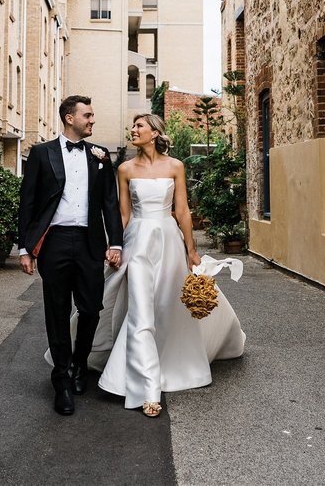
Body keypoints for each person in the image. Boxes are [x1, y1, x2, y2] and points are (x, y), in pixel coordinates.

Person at [89, 113, 246, 417]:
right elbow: (123, 214)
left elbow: (183, 211)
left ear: (154, 133)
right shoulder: (124, 169)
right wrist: (115, 246)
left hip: (168, 242)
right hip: (137, 243)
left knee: (167, 307)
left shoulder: (175, 167)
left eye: (139, 126)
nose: (133, 130)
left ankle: (171, 362)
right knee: (141, 313)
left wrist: (192, 250)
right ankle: (147, 390)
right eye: (133, 126)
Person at [18, 95, 123, 416]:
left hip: (89, 242)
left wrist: (115, 243)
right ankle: (61, 380)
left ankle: (80, 366)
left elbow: (110, 203)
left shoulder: (101, 156)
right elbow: (29, 203)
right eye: (87, 115)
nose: (92, 120)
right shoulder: (41, 153)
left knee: (91, 308)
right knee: (58, 311)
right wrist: (25, 247)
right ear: (69, 118)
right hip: (55, 243)